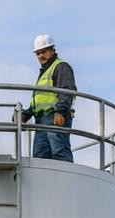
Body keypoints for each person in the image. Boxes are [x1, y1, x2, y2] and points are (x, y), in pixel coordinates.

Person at [29, 34, 76, 162]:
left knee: (60, 152)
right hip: (41, 121)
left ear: (52, 51)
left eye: (43, 52)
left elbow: (67, 91)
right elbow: (39, 99)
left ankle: (65, 179)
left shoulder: (61, 67)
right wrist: (26, 113)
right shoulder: (45, 72)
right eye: (38, 53)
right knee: (40, 159)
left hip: (55, 117)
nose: (41, 56)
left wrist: (60, 112)